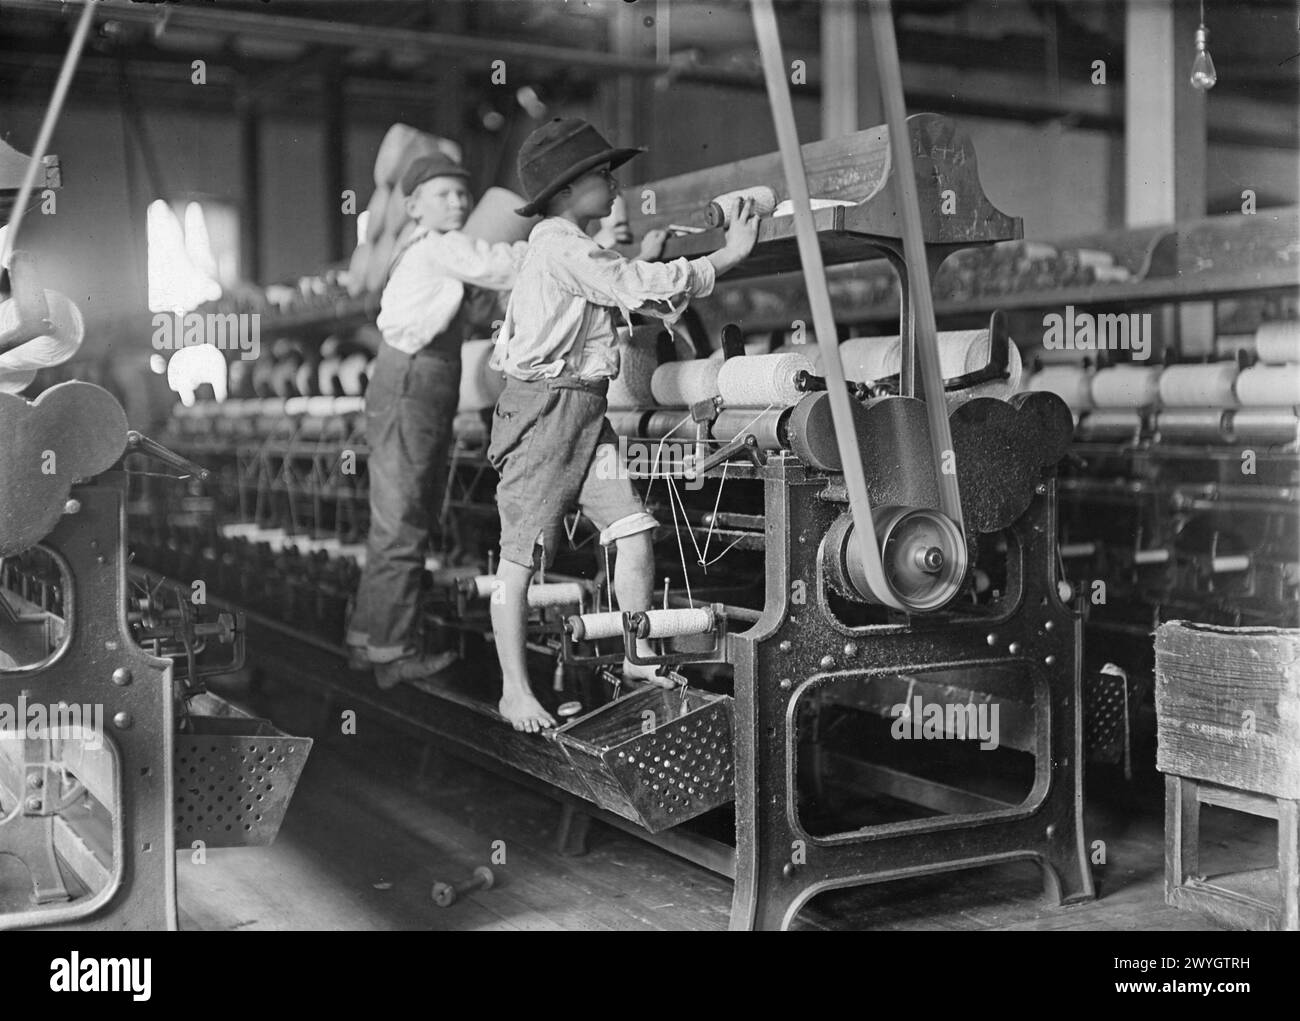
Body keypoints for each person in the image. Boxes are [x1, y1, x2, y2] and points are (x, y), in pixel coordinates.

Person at [487, 117, 759, 732]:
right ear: (563, 192)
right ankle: (512, 689)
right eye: (602, 175)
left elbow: (623, 296)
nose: (615, 186)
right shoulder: (560, 243)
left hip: (585, 411)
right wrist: (728, 256)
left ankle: (637, 654)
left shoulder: (575, 247)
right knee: (520, 559)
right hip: (545, 414)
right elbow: (634, 284)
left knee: (633, 531)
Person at [347, 153, 526, 690]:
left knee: (397, 521)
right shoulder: (441, 246)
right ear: (412, 206)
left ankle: (369, 639)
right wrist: (561, 244)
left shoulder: (424, 251)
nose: (457, 202)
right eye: (443, 194)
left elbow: (470, 304)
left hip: (410, 383)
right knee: (404, 523)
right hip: (414, 385)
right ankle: (394, 654)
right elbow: (504, 264)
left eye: (461, 193)